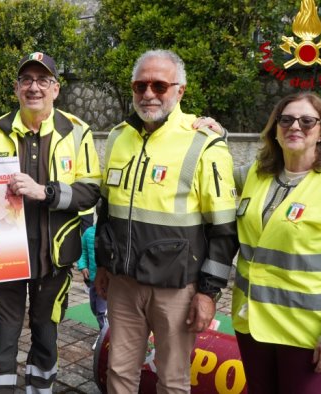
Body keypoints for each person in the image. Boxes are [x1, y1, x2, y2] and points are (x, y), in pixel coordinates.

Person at [94, 49, 239, 394]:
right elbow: (107, 208)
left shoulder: (203, 143)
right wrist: (103, 265)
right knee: (118, 373)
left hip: (177, 288)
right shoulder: (117, 137)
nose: (148, 94)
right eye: (140, 85)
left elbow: (224, 230)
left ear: (180, 90)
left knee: (172, 380)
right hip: (124, 285)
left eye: (159, 86)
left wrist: (208, 293)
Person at [0, 51, 102, 393]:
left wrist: (47, 192)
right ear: (16, 88)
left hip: (54, 258)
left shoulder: (76, 131)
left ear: (56, 89)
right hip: (2, 259)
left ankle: (40, 389)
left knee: (46, 333)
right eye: (27, 80)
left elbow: (90, 191)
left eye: (43, 80)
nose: (34, 87)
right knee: (4, 335)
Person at [230, 92, 321, 393]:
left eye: (307, 121)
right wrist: (215, 135)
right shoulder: (256, 174)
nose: (295, 126)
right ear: (275, 130)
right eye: (286, 120)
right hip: (252, 324)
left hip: (305, 334)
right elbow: (213, 174)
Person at [76, 217, 107, 350]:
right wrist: (82, 266)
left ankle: (104, 336)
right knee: (94, 307)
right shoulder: (89, 232)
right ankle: (106, 330)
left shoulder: (109, 234)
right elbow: (82, 251)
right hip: (92, 280)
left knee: (101, 310)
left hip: (106, 282)